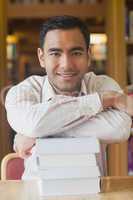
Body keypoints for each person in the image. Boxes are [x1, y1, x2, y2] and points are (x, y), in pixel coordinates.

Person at [5, 15, 133, 179]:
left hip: (93, 193)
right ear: (41, 57)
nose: (66, 64)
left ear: (88, 55)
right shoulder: (22, 92)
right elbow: (34, 124)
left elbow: (119, 130)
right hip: (35, 193)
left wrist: (38, 132)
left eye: (76, 52)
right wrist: (102, 100)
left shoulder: (103, 85)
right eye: (55, 53)